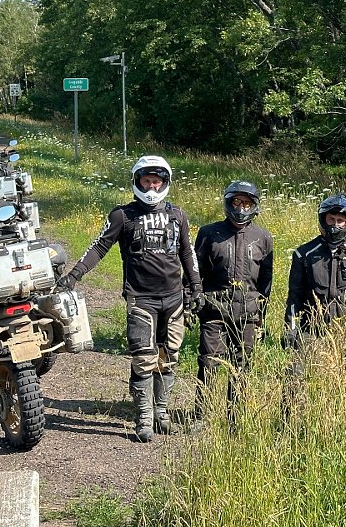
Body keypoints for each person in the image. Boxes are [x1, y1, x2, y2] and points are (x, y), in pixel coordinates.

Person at [58, 155, 201, 442]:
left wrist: (196, 286)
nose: (151, 187)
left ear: (165, 183)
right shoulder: (122, 216)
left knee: (169, 356)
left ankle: (162, 413)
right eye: (146, 181)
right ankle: (144, 417)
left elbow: (188, 252)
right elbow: (99, 247)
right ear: (137, 182)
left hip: (174, 299)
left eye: (156, 181)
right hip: (140, 299)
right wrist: (74, 275)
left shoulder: (178, 215)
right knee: (143, 357)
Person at [283, 194, 346, 419]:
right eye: (331, 220)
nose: (335, 225)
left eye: (340, 221)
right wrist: (291, 329)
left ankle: (340, 423)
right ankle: (290, 425)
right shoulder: (304, 254)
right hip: (311, 330)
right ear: (323, 220)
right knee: (295, 377)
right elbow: (294, 296)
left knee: (345, 385)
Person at [191, 180, 273, 427]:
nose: (241, 208)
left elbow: (266, 281)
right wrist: (193, 301)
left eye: (246, 203)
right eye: (237, 202)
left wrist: (261, 316)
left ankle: (235, 418)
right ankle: (201, 415)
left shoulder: (263, 237)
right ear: (228, 203)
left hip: (247, 312)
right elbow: (195, 272)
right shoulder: (209, 233)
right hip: (214, 308)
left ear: (254, 206)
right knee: (209, 361)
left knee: (242, 364)